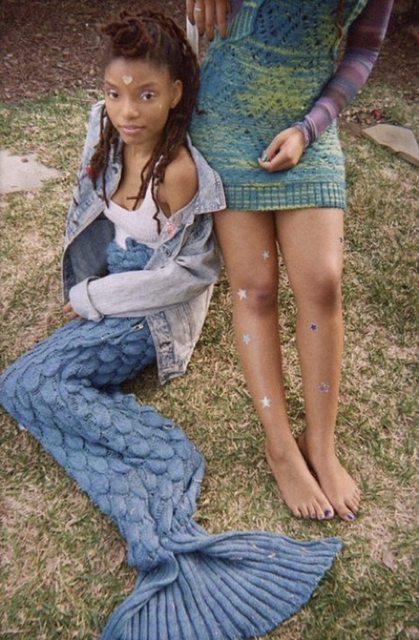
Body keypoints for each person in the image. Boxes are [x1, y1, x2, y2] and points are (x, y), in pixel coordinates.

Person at [0, 10, 343, 640]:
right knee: (26, 385)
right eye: (115, 93)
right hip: (110, 290)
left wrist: (95, 297)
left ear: (177, 93)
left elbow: (189, 275)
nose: (127, 111)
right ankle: (143, 458)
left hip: (147, 318)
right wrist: (86, 279)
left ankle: (168, 461)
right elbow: (87, 209)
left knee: (25, 384)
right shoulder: (102, 127)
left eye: (147, 95)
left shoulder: (182, 170)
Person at [188, 0, 394, 522]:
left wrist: (309, 128)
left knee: (322, 283)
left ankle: (320, 444)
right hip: (226, 123)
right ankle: (279, 446)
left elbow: (364, 49)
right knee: (255, 289)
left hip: (308, 130)